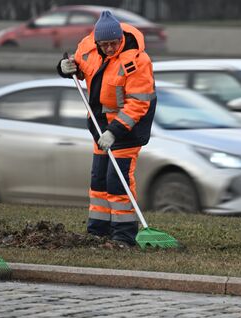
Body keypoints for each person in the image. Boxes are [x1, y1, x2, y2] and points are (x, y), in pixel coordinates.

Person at [57, 10, 156, 247]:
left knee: (117, 181)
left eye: (114, 43)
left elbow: (138, 103)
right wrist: (64, 68)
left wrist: (115, 132)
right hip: (100, 124)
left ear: (121, 38)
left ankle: (124, 235)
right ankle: (98, 231)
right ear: (97, 41)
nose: (110, 48)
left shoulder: (137, 62)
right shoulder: (88, 47)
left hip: (128, 127)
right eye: (105, 44)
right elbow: (79, 69)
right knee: (99, 179)